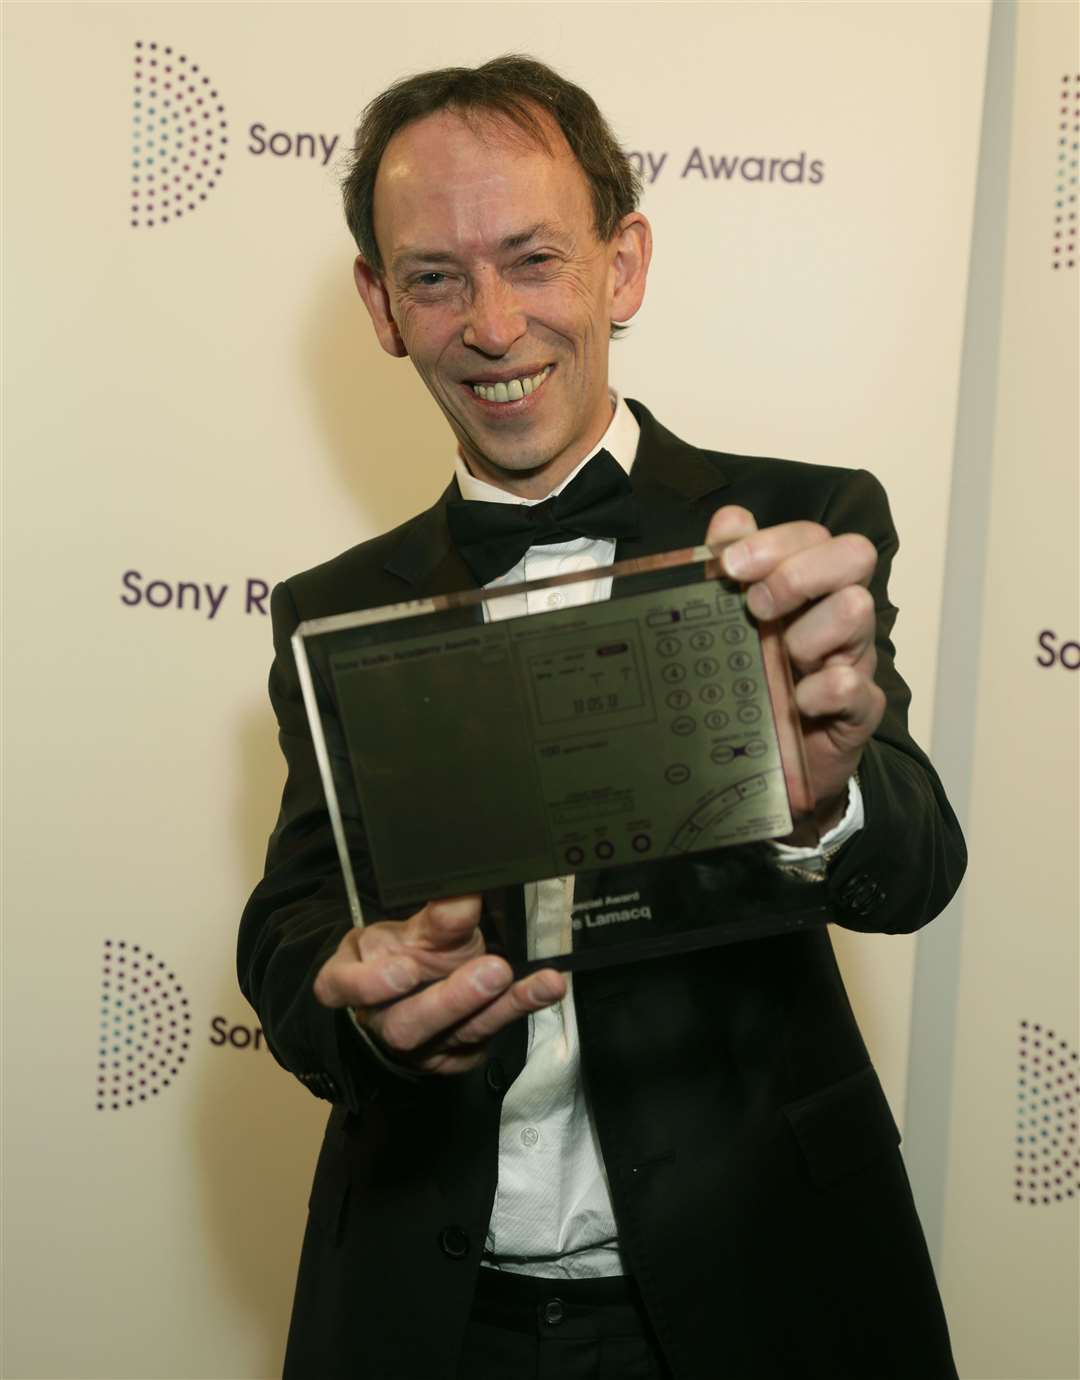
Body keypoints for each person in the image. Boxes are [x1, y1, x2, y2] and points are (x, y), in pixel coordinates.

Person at [239, 54, 966, 1380]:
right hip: (430, 1315)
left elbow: (914, 861)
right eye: (436, 276)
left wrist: (821, 797)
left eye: (532, 259)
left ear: (622, 265)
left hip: (759, 1296)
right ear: (381, 304)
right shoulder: (332, 610)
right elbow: (292, 926)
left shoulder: (798, 523)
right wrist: (351, 1001)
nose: (494, 325)